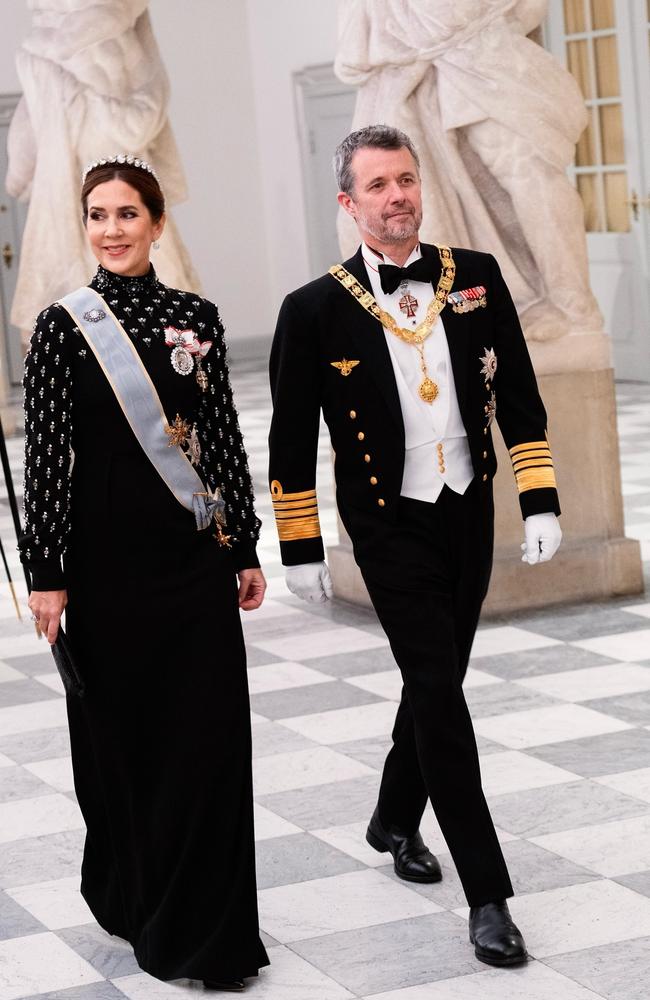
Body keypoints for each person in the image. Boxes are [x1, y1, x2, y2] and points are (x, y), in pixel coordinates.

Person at [268, 125, 562, 967]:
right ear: (348, 203)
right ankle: (489, 896)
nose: (396, 197)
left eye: (406, 180)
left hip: (467, 507)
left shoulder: (473, 276)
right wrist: (300, 547)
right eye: (377, 186)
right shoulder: (313, 308)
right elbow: (291, 440)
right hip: (388, 522)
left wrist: (537, 497)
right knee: (440, 686)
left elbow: (523, 396)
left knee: (435, 683)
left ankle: (393, 817)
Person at [20, 155, 269, 991]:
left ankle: (215, 936)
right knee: (128, 749)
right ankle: (141, 902)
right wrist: (46, 573)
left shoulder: (194, 314)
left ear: (157, 223)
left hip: (191, 567)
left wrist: (242, 545)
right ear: (84, 225)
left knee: (208, 746)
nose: (113, 229)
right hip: (105, 575)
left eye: (129, 213)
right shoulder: (63, 325)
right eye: (98, 215)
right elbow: (47, 459)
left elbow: (224, 438)